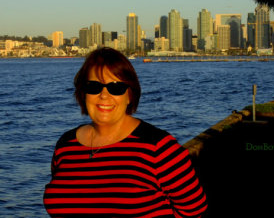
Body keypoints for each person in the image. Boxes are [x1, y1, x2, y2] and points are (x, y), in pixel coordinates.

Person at [43, 47, 207, 217]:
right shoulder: (65, 145)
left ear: (129, 95)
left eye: (116, 87)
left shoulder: (159, 148)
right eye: (94, 86)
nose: (104, 95)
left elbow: (194, 211)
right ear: (83, 93)